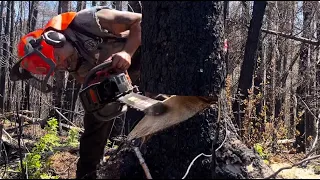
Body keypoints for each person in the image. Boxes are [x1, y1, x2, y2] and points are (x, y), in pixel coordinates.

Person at [10, 6, 142, 179]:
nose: (63, 66)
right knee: (93, 129)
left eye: (57, 59)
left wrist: (127, 52)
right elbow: (89, 80)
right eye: (56, 67)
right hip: (116, 76)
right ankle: (87, 175)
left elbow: (140, 21)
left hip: (143, 56)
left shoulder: (89, 21)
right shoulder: (72, 65)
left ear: (56, 38)